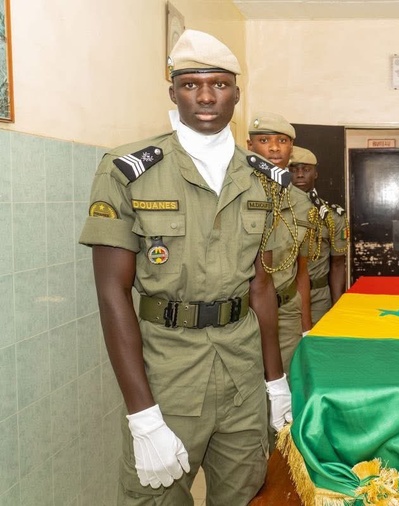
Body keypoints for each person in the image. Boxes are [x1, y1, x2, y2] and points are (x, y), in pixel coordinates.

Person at [79, 30, 293, 505]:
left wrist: (275, 383)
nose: (205, 96)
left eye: (218, 84)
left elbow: (262, 286)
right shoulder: (126, 170)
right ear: (173, 91)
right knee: (153, 498)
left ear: (237, 92)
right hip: (166, 371)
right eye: (191, 84)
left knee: (246, 494)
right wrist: (143, 416)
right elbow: (112, 294)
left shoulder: (264, 179)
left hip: (242, 370)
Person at [246, 114, 317, 373]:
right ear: (249, 146)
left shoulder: (300, 203)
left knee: (286, 385)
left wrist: (305, 325)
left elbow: (301, 268)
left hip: (285, 310)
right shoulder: (233, 192)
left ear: (291, 148)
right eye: (264, 140)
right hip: (245, 314)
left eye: (282, 141)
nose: (274, 147)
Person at [289, 146, 349, 324]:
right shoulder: (277, 212)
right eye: (293, 170)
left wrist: (338, 306)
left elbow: (338, 264)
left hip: (319, 297)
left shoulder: (332, 215)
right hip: (285, 296)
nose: (300, 175)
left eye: (306, 169)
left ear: (315, 174)